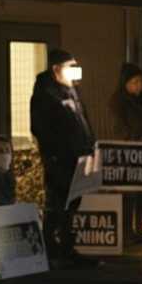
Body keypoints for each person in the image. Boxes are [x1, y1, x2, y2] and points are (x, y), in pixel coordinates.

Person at [31, 48, 93, 266]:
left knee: (72, 206)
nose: (75, 71)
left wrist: (89, 149)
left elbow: (83, 121)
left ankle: (67, 247)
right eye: (70, 66)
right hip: (60, 162)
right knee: (58, 205)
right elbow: (41, 128)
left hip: (78, 160)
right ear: (56, 69)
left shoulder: (71, 92)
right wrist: (55, 156)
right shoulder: (46, 94)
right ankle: (50, 250)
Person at [108, 62, 142, 244]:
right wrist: (134, 139)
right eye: (135, 82)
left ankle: (138, 229)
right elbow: (118, 129)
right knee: (128, 194)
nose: (139, 85)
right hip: (128, 156)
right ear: (126, 83)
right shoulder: (119, 103)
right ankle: (126, 232)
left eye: (141, 81)